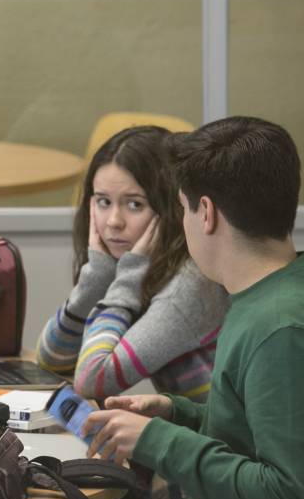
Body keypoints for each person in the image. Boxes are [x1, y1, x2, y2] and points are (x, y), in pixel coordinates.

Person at [84, 116, 304, 499]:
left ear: (206, 213)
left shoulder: (285, 333)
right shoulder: (303, 282)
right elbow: (262, 430)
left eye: (182, 208)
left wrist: (158, 441)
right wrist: (176, 413)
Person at [37, 126, 229, 402]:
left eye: (135, 205)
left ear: (171, 207)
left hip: (219, 431)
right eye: (103, 202)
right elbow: (51, 361)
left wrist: (126, 282)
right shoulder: (141, 269)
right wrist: (96, 279)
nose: (114, 221)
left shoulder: (187, 286)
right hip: (193, 427)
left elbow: (91, 381)